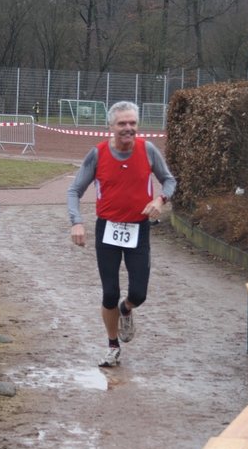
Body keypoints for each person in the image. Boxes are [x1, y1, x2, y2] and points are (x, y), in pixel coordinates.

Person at [67, 101, 177, 367]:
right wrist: (77, 222)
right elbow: (74, 190)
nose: (128, 128)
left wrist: (160, 199)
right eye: (122, 123)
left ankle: (125, 309)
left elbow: (169, 180)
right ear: (111, 126)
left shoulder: (148, 150)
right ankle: (113, 346)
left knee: (138, 294)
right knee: (109, 292)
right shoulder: (98, 154)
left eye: (132, 123)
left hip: (138, 229)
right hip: (108, 229)